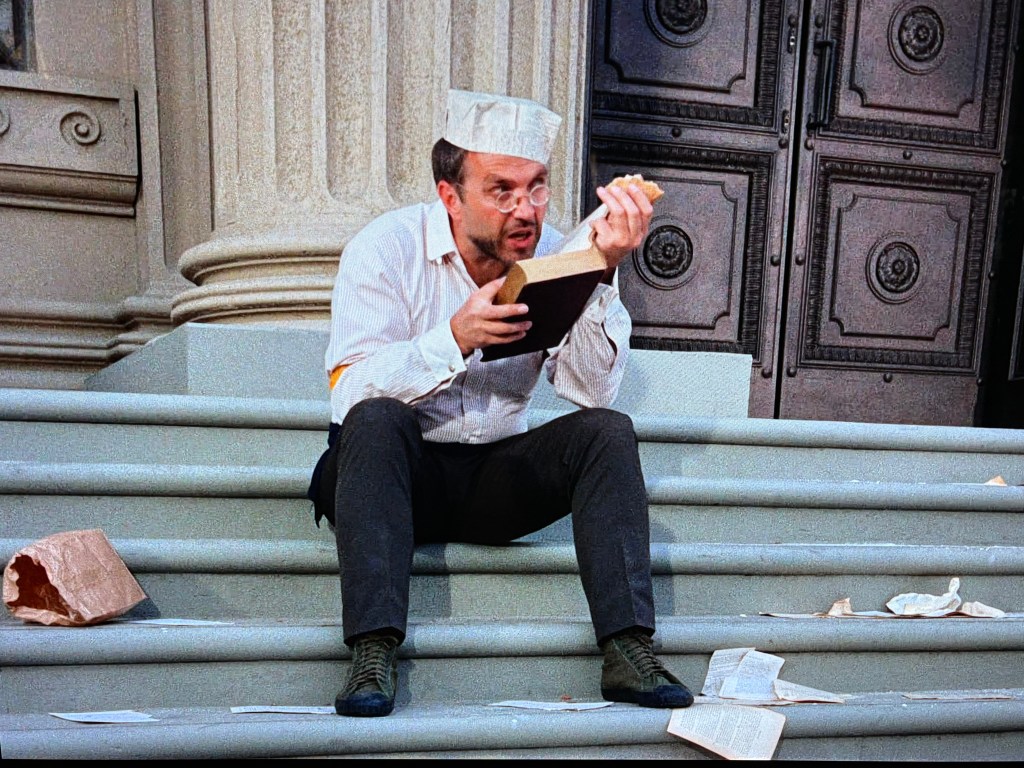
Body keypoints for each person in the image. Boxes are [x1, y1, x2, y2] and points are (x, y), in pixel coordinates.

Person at [308, 89, 694, 718]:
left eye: (537, 187)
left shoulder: (558, 254)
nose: (526, 210)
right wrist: (453, 340)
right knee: (376, 418)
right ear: (449, 195)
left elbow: (589, 395)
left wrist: (600, 272)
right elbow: (348, 395)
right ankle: (373, 651)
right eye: (502, 190)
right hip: (391, 475)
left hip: (491, 480)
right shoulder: (385, 248)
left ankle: (629, 650)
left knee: (608, 432)